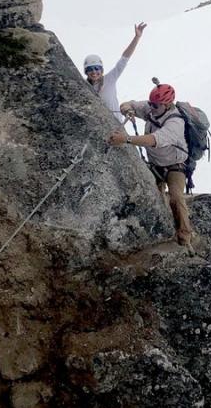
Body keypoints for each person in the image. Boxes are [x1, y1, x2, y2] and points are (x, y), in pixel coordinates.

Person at [111, 84, 193, 247]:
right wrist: (128, 110)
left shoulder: (175, 122)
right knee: (154, 196)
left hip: (175, 166)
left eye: (155, 105)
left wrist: (126, 140)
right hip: (155, 164)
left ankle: (185, 235)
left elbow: (153, 140)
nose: (151, 107)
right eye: (151, 104)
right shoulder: (151, 108)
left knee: (176, 197)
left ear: (167, 105)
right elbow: (128, 104)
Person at [83, 23, 146, 118]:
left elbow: (124, 59)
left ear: (102, 70)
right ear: (86, 72)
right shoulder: (83, 86)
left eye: (97, 68)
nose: (94, 72)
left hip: (117, 125)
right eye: (90, 69)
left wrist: (136, 37)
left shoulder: (110, 78)